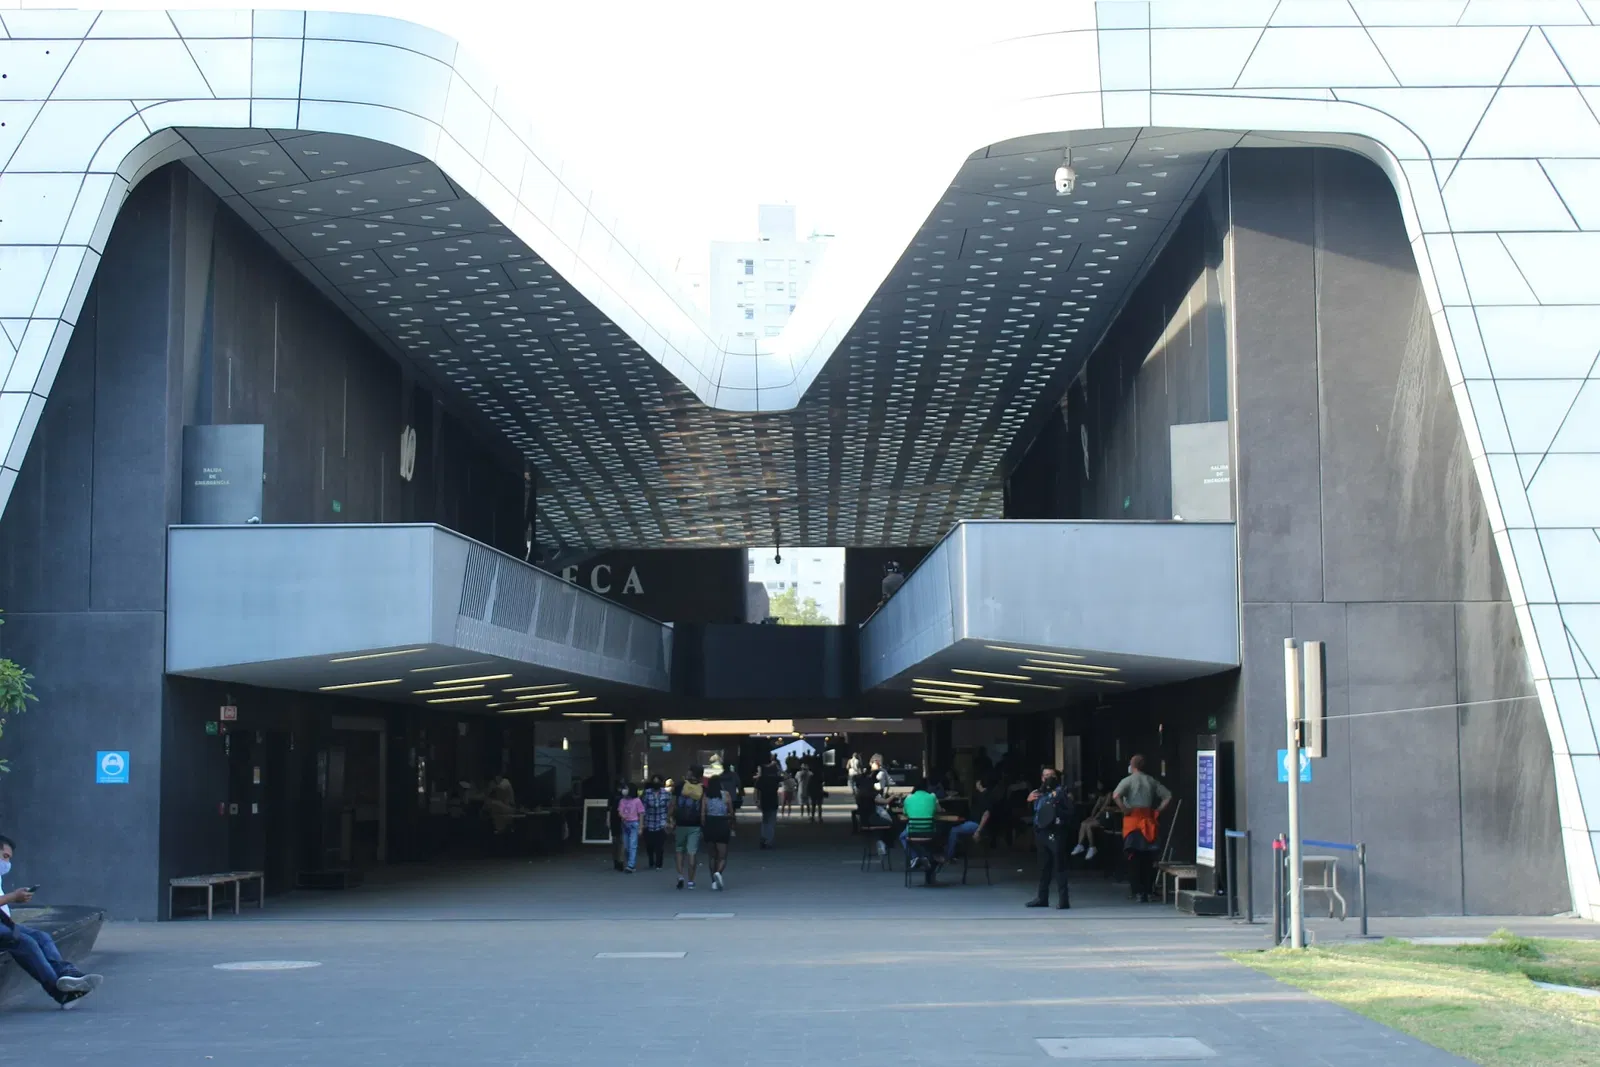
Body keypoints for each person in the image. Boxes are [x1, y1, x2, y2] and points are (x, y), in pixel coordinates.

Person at [0, 835, 103, 1009]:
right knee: (25, 942)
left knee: (41, 937)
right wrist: (14, 897)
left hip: (5, 924)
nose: (7, 864)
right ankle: (61, 992)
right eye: (5, 857)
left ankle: (68, 975)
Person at [1114, 754, 1173, 903]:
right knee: (1148, 857)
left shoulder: (1127, 781)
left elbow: (1116, 795)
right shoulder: (1150, 780)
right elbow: (1168, 796)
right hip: (1148, 822)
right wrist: (1157, 810)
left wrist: (1124, 809)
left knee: (1133, 857)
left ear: (1132, 765)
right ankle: (1148, 889)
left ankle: (1137, 891)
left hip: (1133, 822)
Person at [1025, 769, 1073, 909]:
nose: (1048, 778)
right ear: (1041, 778)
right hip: (1041, 831)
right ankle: (1042, 897)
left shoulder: (1061, 793)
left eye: (1051, 776)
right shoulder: (1037, 793)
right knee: (1044, 867)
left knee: (1059, 866)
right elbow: (1033, 812)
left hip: (1056, 831)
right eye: (1045, 776)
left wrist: (1057, 810)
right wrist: (1029, 801)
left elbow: (1070, 812)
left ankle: (1063, 900)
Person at [941, 774, 996, 864]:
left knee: (954, 830)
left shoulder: (986, 796)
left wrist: (978, 831)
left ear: (980, 784)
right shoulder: (981, 795)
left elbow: (986, 814)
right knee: (953, 827)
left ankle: (948, 856)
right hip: (973, 822)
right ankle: (953, 852)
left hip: (977, 824)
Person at [671, 767, 708, 890]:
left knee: (679, 850)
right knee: (692, 852)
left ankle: (680, 875)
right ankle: (691, 881)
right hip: (695, 824)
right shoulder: (702, 789)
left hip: (681, 823)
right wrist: (703, 822)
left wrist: (669, 818)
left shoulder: (680, 786)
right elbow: (703, 807)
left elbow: (673, 804)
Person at [899, 779, 941, 871]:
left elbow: (905, 814)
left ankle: (915, 857)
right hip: (929, 831)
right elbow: (939, 810)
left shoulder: (908, 798)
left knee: (902, 837)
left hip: (913, 831)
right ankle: (929, 858)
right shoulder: (932, 797)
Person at [1070, 781, 1117, 861]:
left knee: (1089, 825)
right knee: (1084, 823)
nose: (1099, 786)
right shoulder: (1100, 796)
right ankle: (1080, 844)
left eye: (1100, 784)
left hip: (1106, 818)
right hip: (1099, 817)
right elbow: (1096, 807)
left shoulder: (1109, 794)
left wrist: (1095, 818)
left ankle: (1092, 847)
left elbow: (1103, 809)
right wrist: (1091, 816)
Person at [702, 774, 734, 891]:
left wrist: (704, 827)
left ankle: (713, 881)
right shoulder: (725, 795)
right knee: (722, 856)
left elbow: (702, 814)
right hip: (722, 824)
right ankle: (719, 872)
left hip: (710, 824)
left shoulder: (706, 797)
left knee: (712, 856)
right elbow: (731, 811)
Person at [641, 776, 671, 870]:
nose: (656, 783)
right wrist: (642, 823)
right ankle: (651, 860)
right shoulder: (647, 793)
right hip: (649, 822)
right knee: (649, 845)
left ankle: (659, 864)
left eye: (658, 782)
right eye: (654, 782)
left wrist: (668, 820)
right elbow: (643, 808)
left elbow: (669, 807)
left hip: (661, 822)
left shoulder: (665, 793)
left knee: (659, 845)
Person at [617, 783, 644, 873]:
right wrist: (622, 816)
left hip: (634, 824)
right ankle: (630, 863)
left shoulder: (637, 801)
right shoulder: (622, 800)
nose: (624, 790)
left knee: (633, 845)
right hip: (625, 824)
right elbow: (619, 811)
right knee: (626, 846)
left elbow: (641, 814)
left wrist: (640, 827)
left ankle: (631, 865)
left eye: (626, 788)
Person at [755, 758, 782, 849]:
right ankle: (769, 841)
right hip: (773, 801)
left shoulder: (761, 779)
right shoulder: (775, 779)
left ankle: (763, 838)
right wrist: (778, 768)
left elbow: (756, 791)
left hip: (764, 801)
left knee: (765, 821)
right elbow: (787, 777)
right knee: (771, 822)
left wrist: (757, 801)